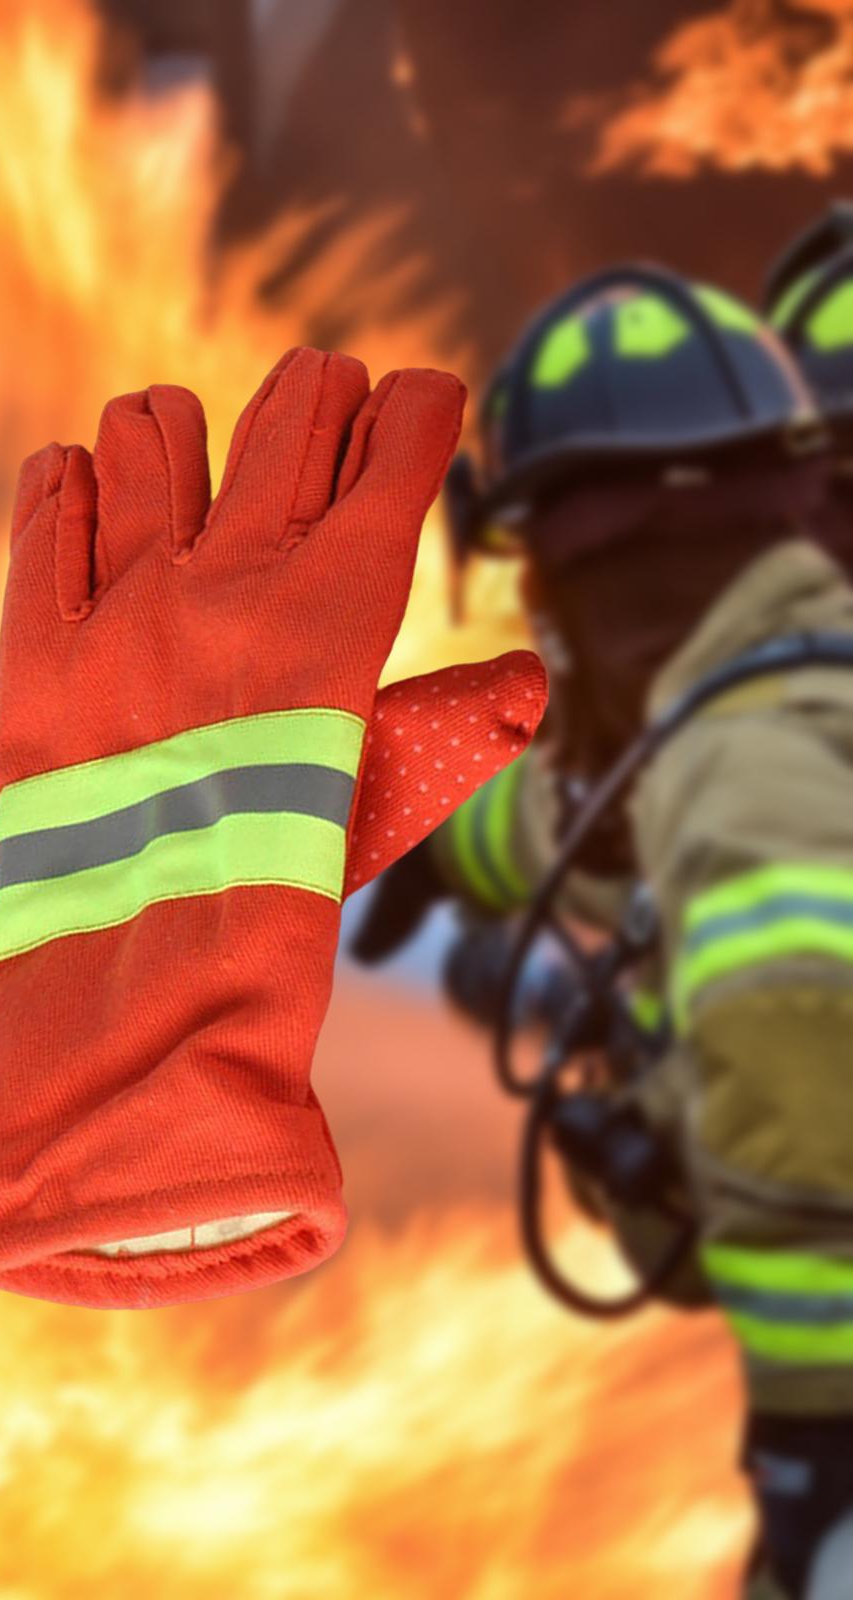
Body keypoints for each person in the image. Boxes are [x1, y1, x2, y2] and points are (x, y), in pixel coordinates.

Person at [354, 260, 853, 1600]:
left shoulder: (747, 771)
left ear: (588, 565)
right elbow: (594, 818)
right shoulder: (770, 691)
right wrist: (426, 845)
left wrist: (815, 1460)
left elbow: (798, 1118)